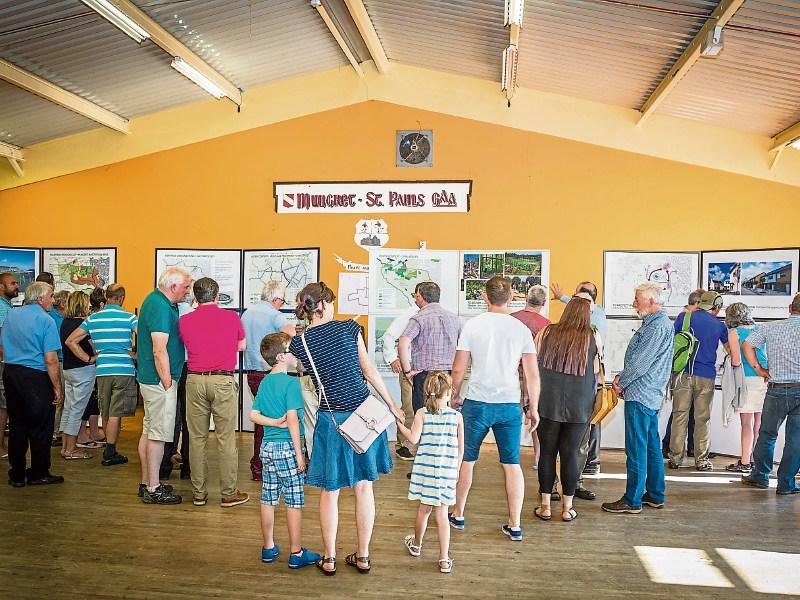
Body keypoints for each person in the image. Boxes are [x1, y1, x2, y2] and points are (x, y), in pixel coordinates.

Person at [288, 282, 404, 575]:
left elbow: (305, 372)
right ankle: (363, 556)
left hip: (332, 420)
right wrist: (392, 405)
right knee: (364, 487)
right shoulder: (349, 329)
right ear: (323, 305)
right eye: (331, 303)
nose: (333, 308)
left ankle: (329, 558)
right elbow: (369, 371)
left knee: (331, 490)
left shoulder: (299, 343)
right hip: (363, 416)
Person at [449, 276, 540, 542]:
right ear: (511, 298)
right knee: (512, 464)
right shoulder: (521, 329)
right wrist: (533, 407)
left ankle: (458, 513)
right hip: (509, 404)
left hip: (477, 403)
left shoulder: (472, 325)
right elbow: (532, 375)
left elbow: (458, 368)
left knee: (466, 459)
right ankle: (515, 524)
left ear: (484, 297)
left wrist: (454, 395)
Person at [251, 332, 320, 568]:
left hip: (267, 448)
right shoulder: (291, 384)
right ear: (281, 357)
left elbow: (254, 415)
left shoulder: (265, 382)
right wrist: (300, 455)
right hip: (288, 449)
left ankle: (268, 547)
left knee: (268, 498)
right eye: (292, 349)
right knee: (294, 501)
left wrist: (272, 422)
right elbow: (292, 420)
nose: (296, 353)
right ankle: (296, 553)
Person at [602, 283, 672, 514]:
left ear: (651, 301)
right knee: (651, 446)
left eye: (637, 299)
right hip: (650, 394)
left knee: (636, 449)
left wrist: (621, 381)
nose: (634, 303)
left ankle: (632, 500)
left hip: (641, 394)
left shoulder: (656, 327)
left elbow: (640, 364)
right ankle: (655, 494)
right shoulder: (658, 323)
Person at [179, 277, 249, 508]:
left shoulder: (185, 320)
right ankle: (228, 493)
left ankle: (199, 494)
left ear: (195, 298)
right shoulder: (232, 317)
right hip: (222, 380)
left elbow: (185, 344)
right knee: (225, 438)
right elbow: (242, 346)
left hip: (194, 380)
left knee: (196, 439)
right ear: (217, 296)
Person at [533, 293, 600, 522]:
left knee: (547, 453)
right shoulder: (592, 336)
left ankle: (545, 506)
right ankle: (567, 508)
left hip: (547, 401)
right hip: (579, 404)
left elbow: (535, 363)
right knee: (570, 454)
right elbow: (597, 369)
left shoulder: (546, 332)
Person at [398, 372, 464, 574]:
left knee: (424, 510)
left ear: (427, 392)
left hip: (425, 470)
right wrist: (456, 470)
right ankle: (444, 559)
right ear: (449, 392)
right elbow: (461, 449)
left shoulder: (422, 413)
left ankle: (416, 545)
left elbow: (413, 438)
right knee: (442, 514)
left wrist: (399, 424)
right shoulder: (457, 417)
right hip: (447, 471)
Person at [136, 267, 192, 505]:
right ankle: (153, 487)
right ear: (173, 286)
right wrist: (168, 383)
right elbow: (159, 350)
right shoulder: (160, 306)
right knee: (158, 436)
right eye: (186, 287)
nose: (188, 291)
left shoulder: (159, 302)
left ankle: (147, 482)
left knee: (150, 432)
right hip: (159, 381)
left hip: (152, 379)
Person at [66, 283, 138, 466]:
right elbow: (146, 339)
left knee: (106, 412)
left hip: (102, 370)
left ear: (106, 297)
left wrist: (89, 358)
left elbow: (71, 341)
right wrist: (135, 355)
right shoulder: (130, 318)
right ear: (121, 298)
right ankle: (110, 452)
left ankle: (111, 449)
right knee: (116, 413)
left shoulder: (92, 319)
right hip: (123, 370)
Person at [2, 282, 64, 486]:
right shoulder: (46, 320)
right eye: (51, 296)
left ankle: (17, 473)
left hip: (11, 373)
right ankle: (39, 472)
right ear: (40, 298)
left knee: (17, 425)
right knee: (41, 427)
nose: (53, 300)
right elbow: (51, 359)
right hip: (36, 376)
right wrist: (57, 388)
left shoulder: (12, 314)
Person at [741, 293, 800, 495]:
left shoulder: (770, 327)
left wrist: (759, 369)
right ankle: (786, 483)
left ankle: (760, 476)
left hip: (777, 389)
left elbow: (747, 345)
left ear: (790, 308)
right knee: (796, 438)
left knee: (767, 434)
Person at [668, 290, 729, 471]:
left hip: (682, 374)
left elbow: (672, 342)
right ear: (716, 307)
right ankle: (701, 460)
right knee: (702, 419)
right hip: (706, 376)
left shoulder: (684, 318)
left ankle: (675, 458)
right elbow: (728, 349)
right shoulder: (719, 325)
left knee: (679, 415)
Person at [550, 280, 606, 476]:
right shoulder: (598, 315)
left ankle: (586, 466)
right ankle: (586, 466)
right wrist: (562, 298)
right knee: (587, 425)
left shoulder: (592, 325)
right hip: (583, 382)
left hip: (582, 382)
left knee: (585, 427)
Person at [241, 281, 295, 481]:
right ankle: (267, 466)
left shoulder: (247, 314)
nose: (281, 305)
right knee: (275, 422)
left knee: (261, 421)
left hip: (253, 374)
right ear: (275, 299)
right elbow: (290, 334)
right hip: (271, 374)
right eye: (282, 301)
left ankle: (258, 466)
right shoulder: (274, 314)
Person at [398, 281, 461, 414]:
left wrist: (408, 372)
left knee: (423, 416)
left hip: (424, 376)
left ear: (420, 296)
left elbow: (403, 344)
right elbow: (462, 348)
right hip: (447, 376)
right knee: (445, 415)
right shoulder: (454, 318)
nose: (415, 299)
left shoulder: (418, 318)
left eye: (415, 296)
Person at [723, 302, 767, 473]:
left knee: (746, 423)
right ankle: (755, 459)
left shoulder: (734, 333)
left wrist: (728, 352)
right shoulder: (759, 328)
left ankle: (745, 461)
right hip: (763, 378)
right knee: (759, 423)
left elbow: (736, 361)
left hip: (746, 380)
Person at [510, 285, 550, 471]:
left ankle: (510, 457)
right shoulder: (547, 325)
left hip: (511, 376)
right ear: (544, 302)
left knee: (511, 421)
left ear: (526, 298)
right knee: (536, 418)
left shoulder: (511, 319)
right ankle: (538, 458)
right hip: (534, 378)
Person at [662, 289, 704, 458]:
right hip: (684, 371)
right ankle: (669, 445)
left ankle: (687, 446)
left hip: (684, 370)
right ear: (698, 303)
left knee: (686, 411)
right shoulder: (684, 318)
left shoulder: (685, 318)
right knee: (681, 412)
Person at [58, 292, 96, 460]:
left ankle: (65, 447)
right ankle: (71, 449)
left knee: (68, 408)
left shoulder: (65, 322)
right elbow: (92, 347)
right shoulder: (83, 324)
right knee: (76, 410)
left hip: (68, 370)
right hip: (82, 370)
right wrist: (89, 358)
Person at [379, 303, 419, 461]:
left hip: (430, 368)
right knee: (409, 407)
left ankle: (423, 446)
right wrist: (392, 358)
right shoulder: (411, 314)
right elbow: (388, 336)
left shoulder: (438, 314)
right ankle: (404, 445)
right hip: (410, 366)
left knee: (430, 408)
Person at [0, 272, 21, 458]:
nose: (17, 286)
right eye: (13, 283)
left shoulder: (7, 306)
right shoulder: (1, 307)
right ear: (1, 286)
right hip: (3, 362)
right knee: (2, 406)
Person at [48, 289, 68, 446]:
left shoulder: (59, 316)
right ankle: (55, 433)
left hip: (61, 360)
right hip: (58, 360)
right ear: (62, 304)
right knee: (59, 398)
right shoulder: (53, 318)